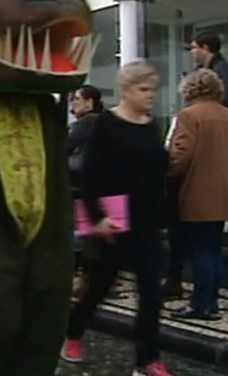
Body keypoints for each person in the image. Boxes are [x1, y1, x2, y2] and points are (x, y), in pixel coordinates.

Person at [62, 61, 172, 376]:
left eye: (153, 89)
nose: (150, 96)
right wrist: (97, 217)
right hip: (113, 221)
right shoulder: (106, 125)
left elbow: (156, 168)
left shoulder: (152, 125)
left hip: (147, 223)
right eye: (143, 89)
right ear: (126, 91)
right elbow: (91, 173)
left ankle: (147, 359)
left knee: (151, 294)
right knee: (98, 287)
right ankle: (74, 331)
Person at [168, 69, 228, 320]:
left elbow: (181, 155)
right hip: (223, 190)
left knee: (200, 251)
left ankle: (199, 304)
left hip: (196, 189)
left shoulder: (189, 116)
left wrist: (166, 172)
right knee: (213, 249)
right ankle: (211, 302)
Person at [188, 30, 228, 253]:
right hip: (212, 132)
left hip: (218, 134)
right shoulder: (207, 70)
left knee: (226, 183)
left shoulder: (222, 72)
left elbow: (227, 103)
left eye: (194, 47)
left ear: (205, 48)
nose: (192, 52)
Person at [67, 85, 104, 298]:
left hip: (82, 185)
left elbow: (66, 146)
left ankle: (86, 279)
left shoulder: (88, 123)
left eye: (77, 99)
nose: (74, 103)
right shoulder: (105, 122)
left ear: (90, 102)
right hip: (97, 185)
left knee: (84, 234)